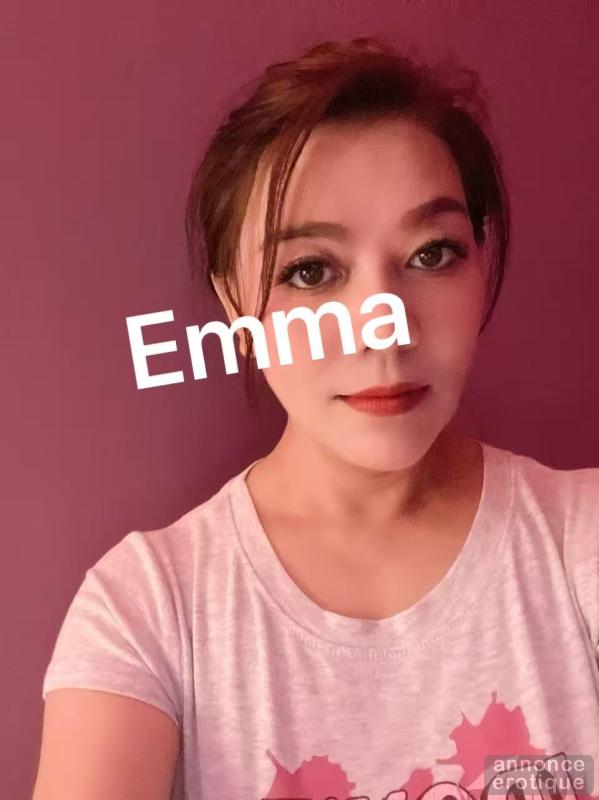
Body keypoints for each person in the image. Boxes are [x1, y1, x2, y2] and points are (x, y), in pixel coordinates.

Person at [33, 36, 599, 800]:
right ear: (233, 304)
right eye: (309, 271)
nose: (382, 328)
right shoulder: (149, 610)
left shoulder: (580, 544)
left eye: (431, 254)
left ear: (483, 258)